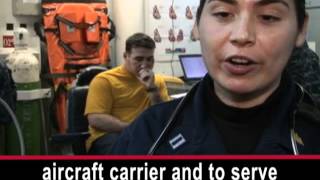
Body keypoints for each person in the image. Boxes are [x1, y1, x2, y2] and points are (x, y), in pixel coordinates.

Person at [112, 0, 320, 155]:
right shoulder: (148, 134)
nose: (242, 35)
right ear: (196, 25)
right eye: (223, 13)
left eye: (268, 17)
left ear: (301, 29)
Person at [85, 33, 171, 154]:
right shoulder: (104, 80)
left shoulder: (156, 81)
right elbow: (96, 119)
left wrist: (152, 89)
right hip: (110, 135)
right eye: (139, 59)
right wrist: (133, 129)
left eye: (149, 59)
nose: (145, 64)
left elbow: (163, 116)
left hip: (144, 135)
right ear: (126, 56)